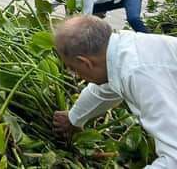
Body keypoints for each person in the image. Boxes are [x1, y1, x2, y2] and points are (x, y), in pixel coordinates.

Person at [52, 16, 177, 168]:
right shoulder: (120, 50)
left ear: (85, 62)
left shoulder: (139, 75)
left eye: (73, 69)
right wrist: (74, 119)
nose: (76, 75)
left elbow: (174, 159)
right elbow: (102, 91)